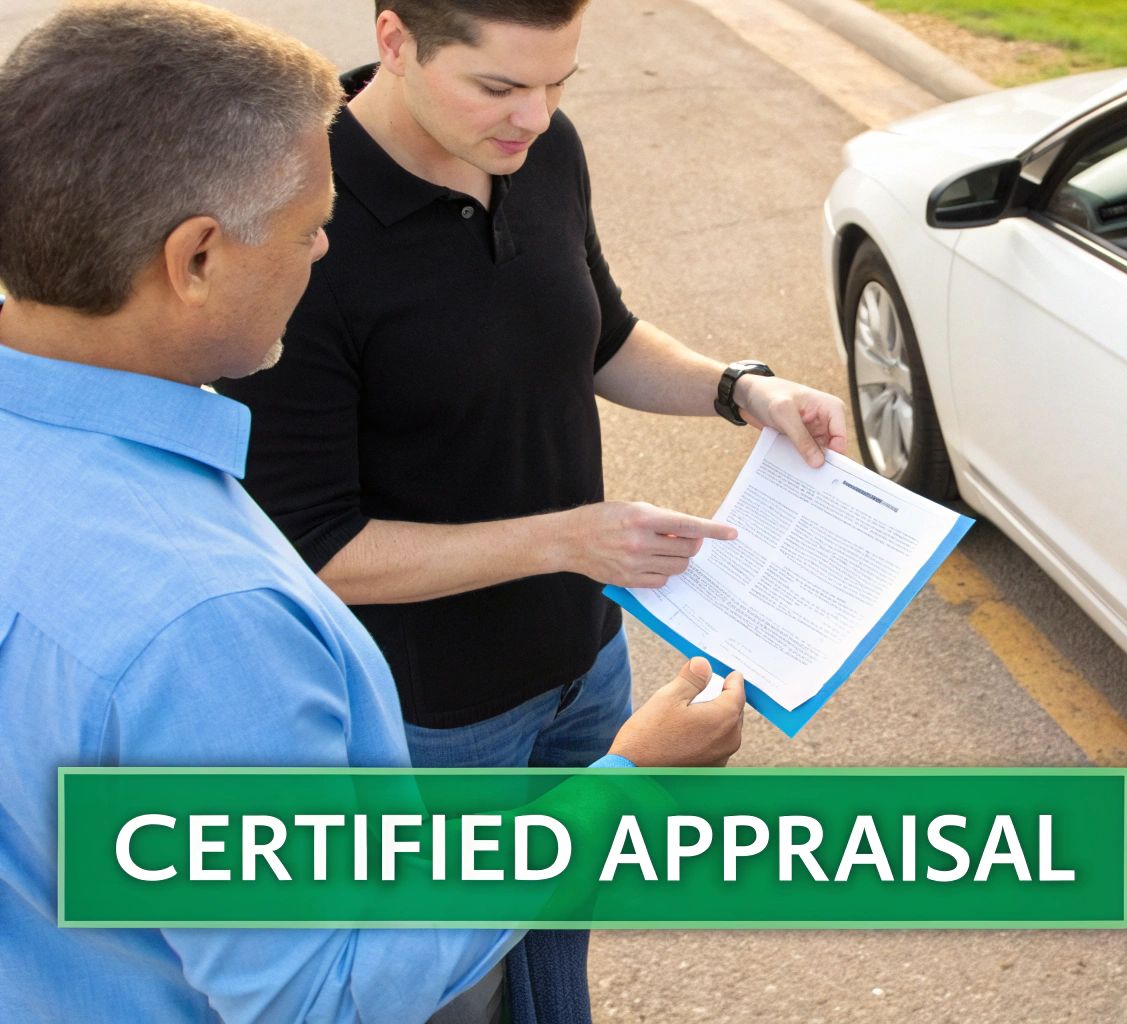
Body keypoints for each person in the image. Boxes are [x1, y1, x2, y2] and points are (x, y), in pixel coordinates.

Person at [0, 3, 745, 1021]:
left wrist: (734, 389)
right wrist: (627, 783)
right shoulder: (209, 624)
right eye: (311, 228)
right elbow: (334, 993)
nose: (320, 251)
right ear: (197, 259)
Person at [213, 1, 848, 1017]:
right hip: (432, 712)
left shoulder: (537, 151)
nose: (534, 118)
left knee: (557, 927)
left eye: (559, 84)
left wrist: (741, 390)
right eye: (498, 87)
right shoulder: (297, 220)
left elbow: (597, 334)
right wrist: (565, 538)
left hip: (583, 660)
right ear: (394, 41)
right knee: (456, 981)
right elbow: (313, 547)